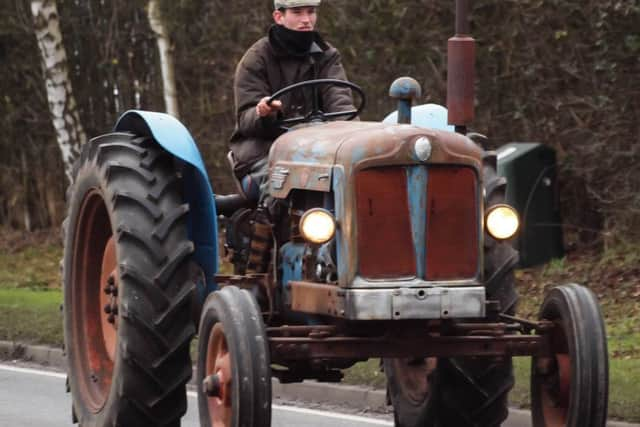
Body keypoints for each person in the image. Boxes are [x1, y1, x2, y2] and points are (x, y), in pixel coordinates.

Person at [229, 0, 356, 201]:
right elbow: (246, 118)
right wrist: (264, 113)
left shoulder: (326, 55)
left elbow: (341, 104)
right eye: (297, 12)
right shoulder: (256, 58)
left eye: (311, 12)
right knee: (282, 180)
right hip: (265, 149)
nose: (306, 20)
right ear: (279, 16)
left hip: (318, 147)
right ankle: (272, 231)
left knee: (355, 174)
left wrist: (353, 136)